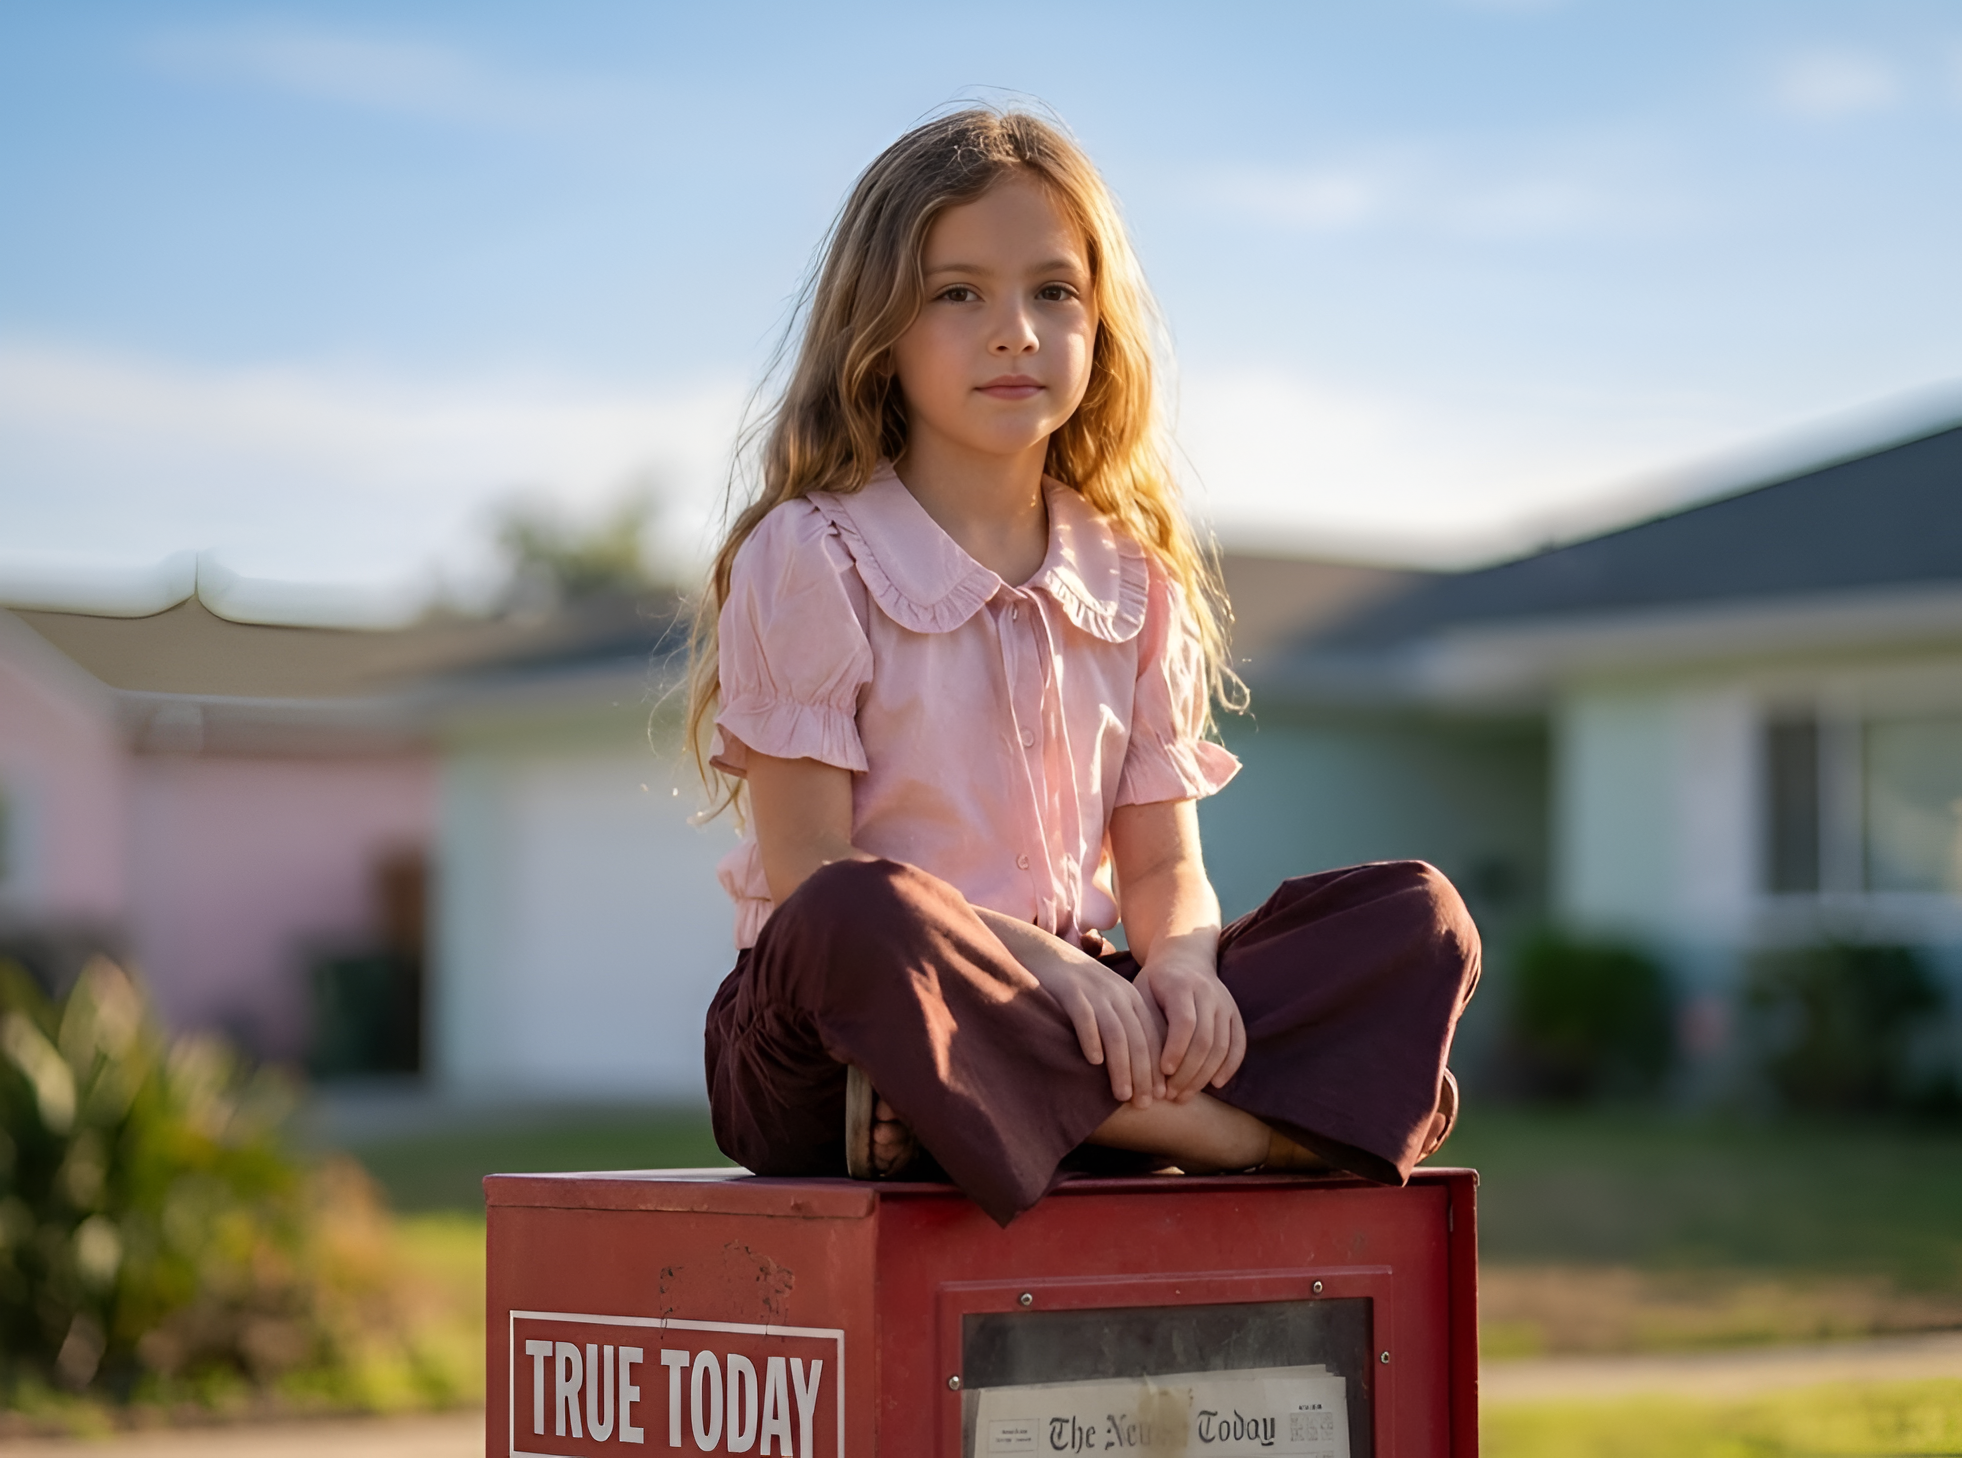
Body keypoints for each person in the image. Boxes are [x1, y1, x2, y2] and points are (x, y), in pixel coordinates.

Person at [685, 107, 1478, 1227]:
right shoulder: (814, 552)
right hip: (837, 1031)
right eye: (957, 293)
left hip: (1084, 1006)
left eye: (1053, 291)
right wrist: (1046, 975)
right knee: (857, 912)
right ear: (882, 329)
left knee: (1418, 915)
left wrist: (1185, 973)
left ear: (1100, 325)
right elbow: (814, 870)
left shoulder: (1135, 575)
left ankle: (992, 1116)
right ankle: (1228, 1134)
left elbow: (1162, 872)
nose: (1013, 329)